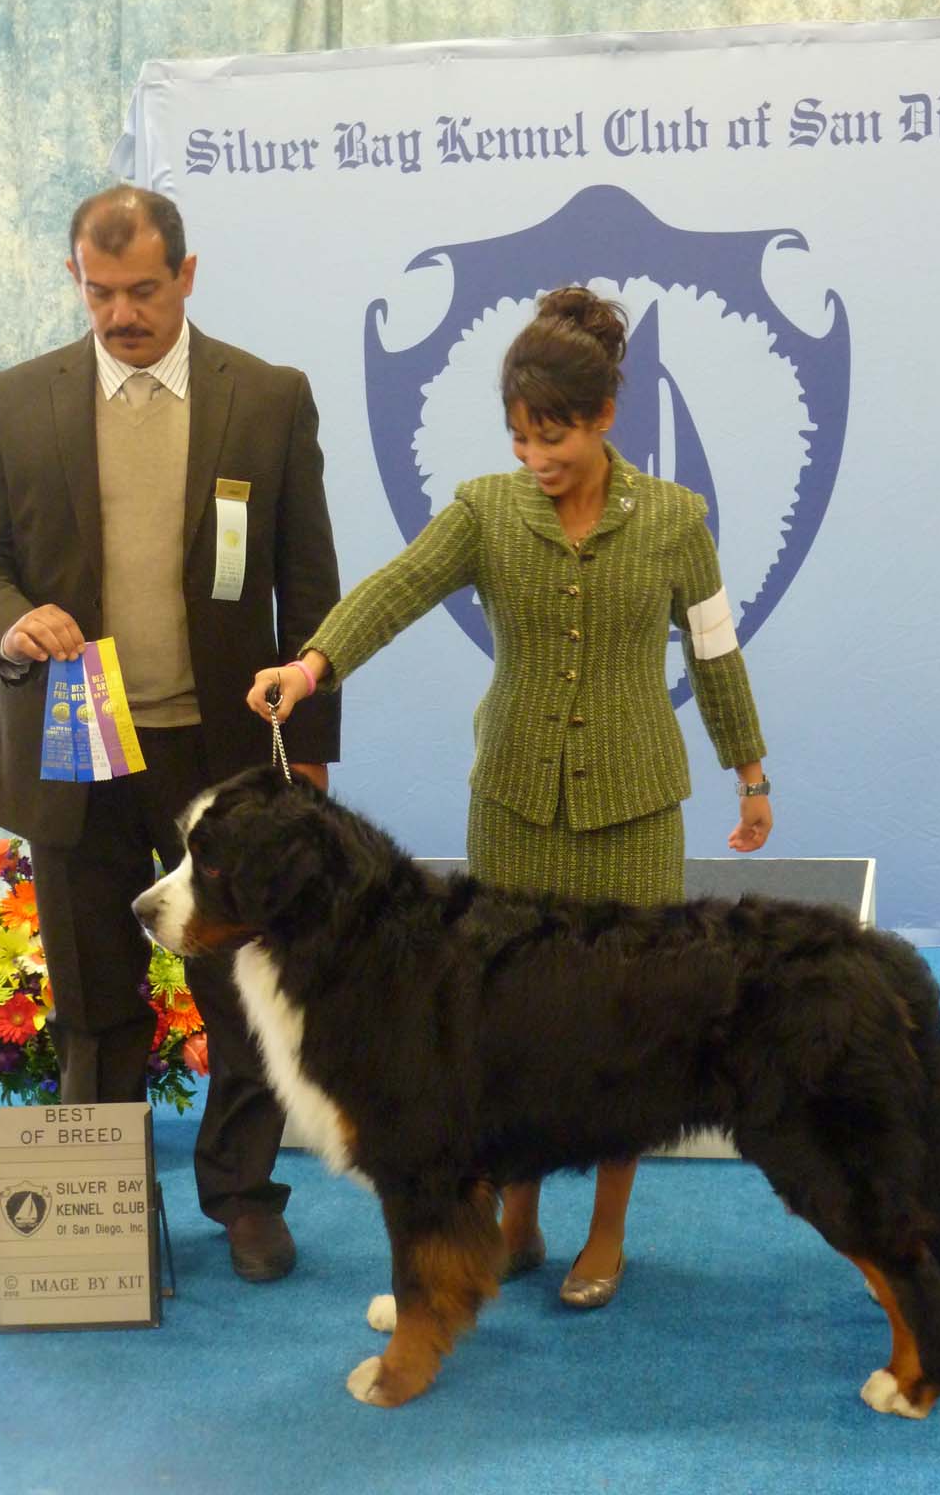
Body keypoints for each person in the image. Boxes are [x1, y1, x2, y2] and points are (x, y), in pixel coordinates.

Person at [245, 285, 771, 1307]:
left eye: (556, 434)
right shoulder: (488, 509)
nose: (538, 457)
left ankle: (606, 1234)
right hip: (516, 805)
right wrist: (310, 666)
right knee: (510, 1030)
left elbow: (715, 653)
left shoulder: (675, 521)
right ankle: (517, 1223)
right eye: (522, 437)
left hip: (635, 813)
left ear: (606, 416)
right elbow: (396, 588)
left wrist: (748, 771)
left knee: (634, 1030)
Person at [0, 186, 341, 1282]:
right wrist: (13, 624)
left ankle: (244, 1198)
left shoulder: (267, 399)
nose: (120, 314)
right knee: (95, 1001)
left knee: (246, 1000)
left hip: (224, 763)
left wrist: (308, 758)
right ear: (76, 278)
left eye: (144, 291)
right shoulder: (15, 402)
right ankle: (99, 1218)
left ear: (189, 275)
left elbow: (310, 588)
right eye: (99, 290)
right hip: (74, 757)